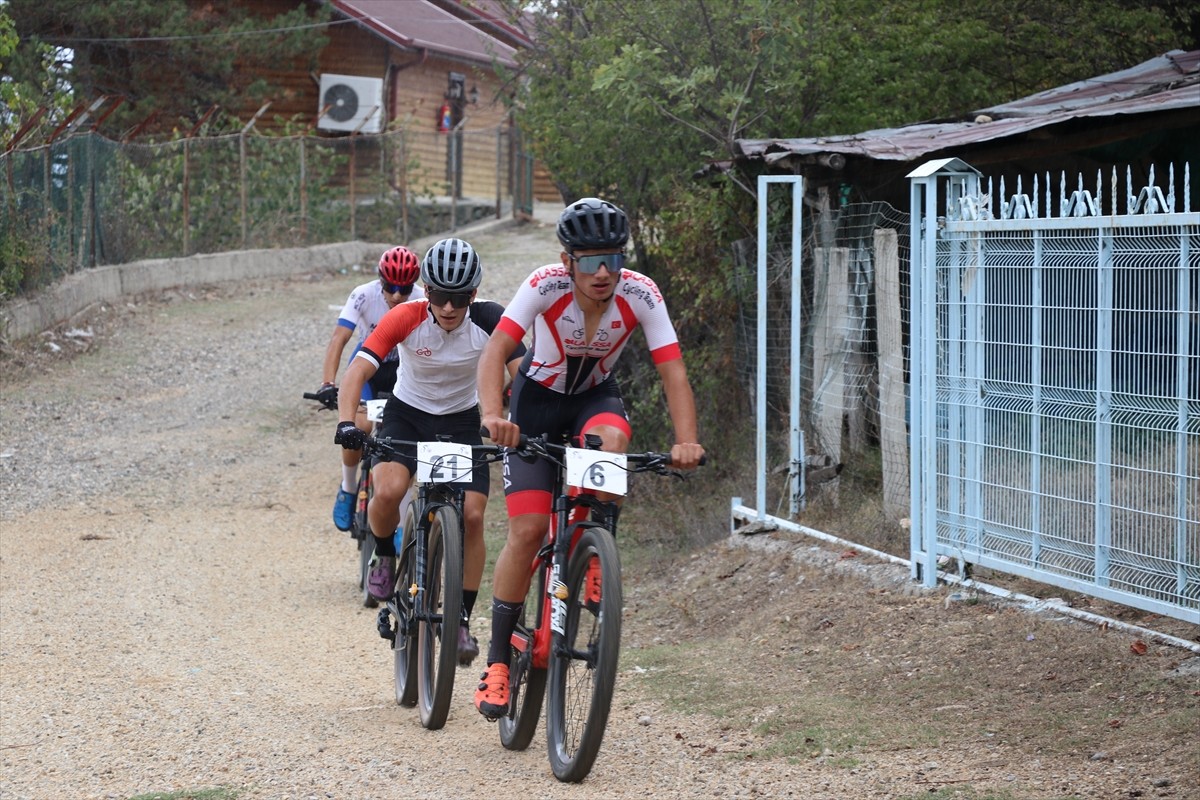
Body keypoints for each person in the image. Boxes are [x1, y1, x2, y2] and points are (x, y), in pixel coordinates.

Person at [473, 197, 705, 718]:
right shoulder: (544, 285)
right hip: (535, 403)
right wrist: (492, 414)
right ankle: (498, 661)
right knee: (527, 531)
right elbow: (495, 353)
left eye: (613, 259)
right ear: (567, 261)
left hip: (593, 399)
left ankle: (592, 548)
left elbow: (673, 372)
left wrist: (686, 441)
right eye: (591, 261)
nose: (603, 273)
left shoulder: (641, 293)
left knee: (612, 441)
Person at [334, 238, 525, 665]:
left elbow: (524, 376)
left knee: (472, 516)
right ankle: (385, 554)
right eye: (439, 296)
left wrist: (517, 421)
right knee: (388, 490)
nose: (449, 307)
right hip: (408, 415)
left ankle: (460, 620)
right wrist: (347, 421)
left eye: (460, 297)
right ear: (426, 290)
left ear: (474, 293)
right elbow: (358, 369)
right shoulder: (406, 316)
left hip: (461, 421)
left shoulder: (491, 319)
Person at [315, 246, 425, 532]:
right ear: (380, 280)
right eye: (390, 287)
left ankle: (401, 518)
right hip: (368, 371)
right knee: (360, 426)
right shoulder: (363, 295)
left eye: (404, 288)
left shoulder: (422, 300)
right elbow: (339, 338)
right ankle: (348, 487)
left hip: (403, 373)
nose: (397, 295)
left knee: (405, 441)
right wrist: (328, 382)